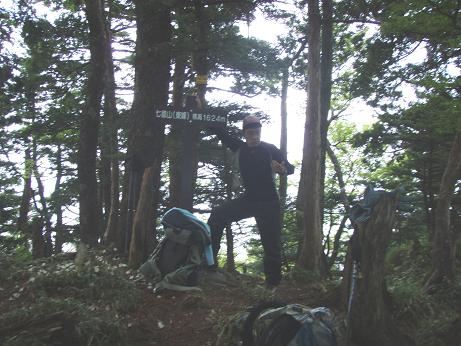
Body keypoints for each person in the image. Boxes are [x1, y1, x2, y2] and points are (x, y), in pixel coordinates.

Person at [207, 115, 294, 289]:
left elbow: (290, 168)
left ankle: (272, 284)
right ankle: (209, 263)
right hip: (249, 199)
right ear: (245, 133)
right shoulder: (240, 148)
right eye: (250, 133)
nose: (254, 136)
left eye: (257, 132)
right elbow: (219, 132)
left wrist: (282, 169)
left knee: (272, 244)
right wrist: (202, 109)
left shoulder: (270, 149)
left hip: (269, 202)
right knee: (217, 215)